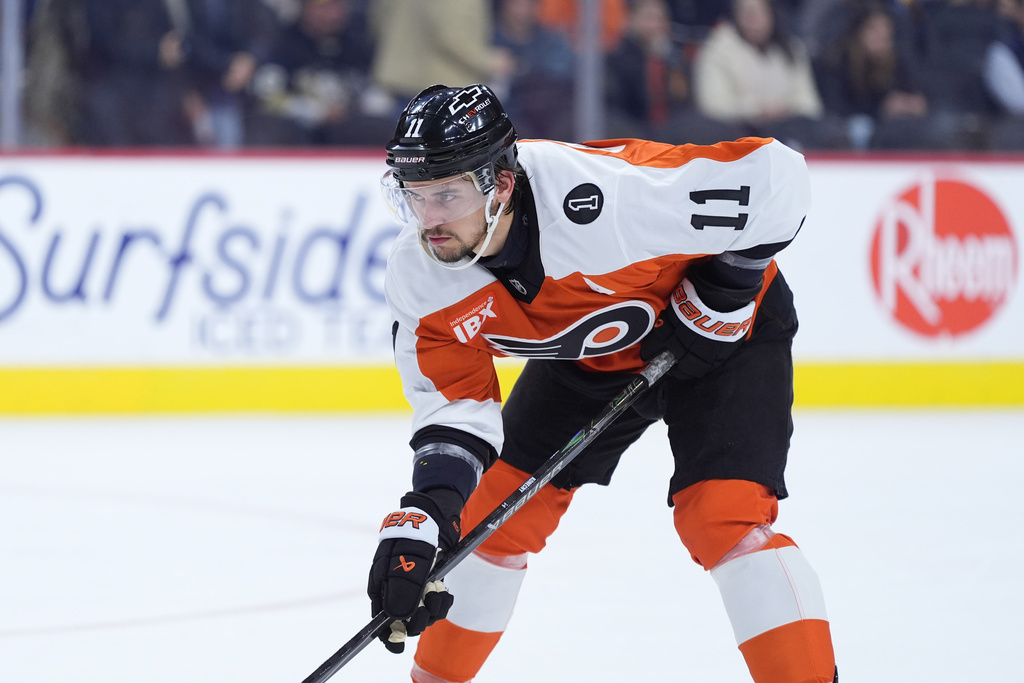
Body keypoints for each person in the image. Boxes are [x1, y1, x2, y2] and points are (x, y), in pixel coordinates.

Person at [365, 82, 839, 683]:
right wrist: (428, 514)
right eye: (414, 197)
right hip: (591, 355)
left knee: (722, 517)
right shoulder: (420, 278)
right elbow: (455, 409)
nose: (428, 220)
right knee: (490, 522)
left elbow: (776, 180)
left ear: (501, 186)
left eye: (447, 195)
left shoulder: (603, 198)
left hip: (724, 343)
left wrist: (723, 294)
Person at [692, 0, 843, 150]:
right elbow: (713, 105)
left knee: (826, 131)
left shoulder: (791, 48)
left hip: (788, 127)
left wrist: (784, 108)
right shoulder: (717, 49)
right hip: (737, 134)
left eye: (759, 12)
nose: (753, 19)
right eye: (747, 13)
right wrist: (757, 109)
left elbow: (809, 104)